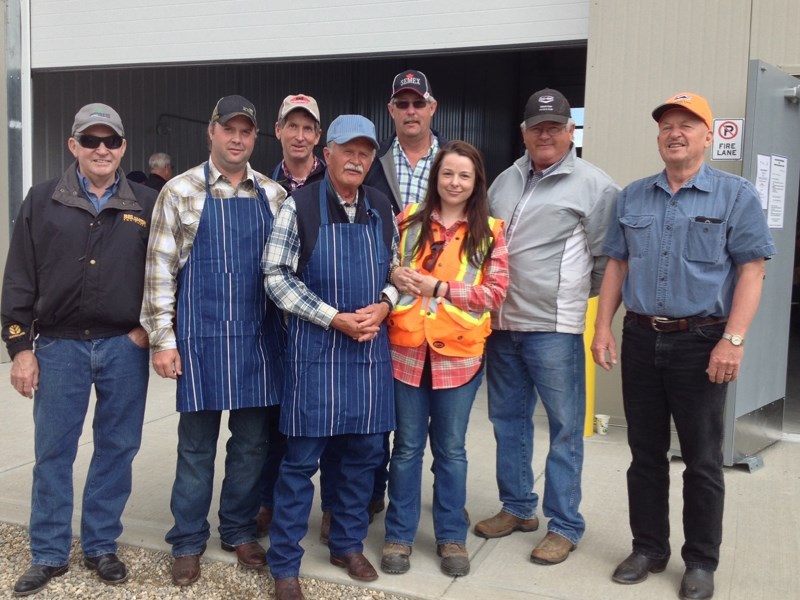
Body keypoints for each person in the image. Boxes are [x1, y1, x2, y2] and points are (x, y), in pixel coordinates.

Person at [591, 92, 775, 600]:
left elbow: (752, 271)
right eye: (668, 125)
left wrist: (732, 341)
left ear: (708, 135)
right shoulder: (632, 197)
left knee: (702, 459)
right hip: (641, 336)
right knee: (644, 453)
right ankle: (649, 548)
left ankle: (700, 561)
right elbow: (617, 266)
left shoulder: (735, 195)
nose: (676, 132)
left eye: (688, 125)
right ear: (658, 136)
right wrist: (603, 327)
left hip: (702, 341)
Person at [1, 102, 157, 596]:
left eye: (110, 140)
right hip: (59, 348)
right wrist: (20, 348)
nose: (101, 150)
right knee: (52, 453)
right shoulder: (42, 200)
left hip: (123, 347)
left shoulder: (146, 204)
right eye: (90, 140)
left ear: (123, 147)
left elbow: (169, 274)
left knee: (117, 449)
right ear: (73, 146)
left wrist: (148, 330)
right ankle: (47, 553)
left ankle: (100, 545)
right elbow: (19, 278)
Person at [140, 95, 287, 586]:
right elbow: (159, 273)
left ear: (254, 137)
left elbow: (284, 273)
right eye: (230, 130)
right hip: (200, 339)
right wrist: (164, 340)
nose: (238, 139)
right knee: (196, 448)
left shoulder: (273, 196)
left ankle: (240, 529)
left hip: (257, 341)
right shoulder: (179, 192)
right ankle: (186, 540)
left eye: (247, 131)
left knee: (250, 446)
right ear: (212, 132)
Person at [474, 88, 619, 565]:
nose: (545, 134)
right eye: (537, 127)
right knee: (507, 422)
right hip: (501, 324)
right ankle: (518, 507)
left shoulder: (595, 186)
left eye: (554, 127)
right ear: (523, 132)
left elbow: (608, 260)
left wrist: (571, 298)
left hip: (553, 329)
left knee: (562, 428)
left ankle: (565, 524)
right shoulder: (504, 181)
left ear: (570, 131)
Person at [263, 115, 397, 600]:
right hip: (317, 353)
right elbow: (276, 277)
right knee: (300, 465)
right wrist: (333, 316)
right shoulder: (298, 206)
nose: (357, 160)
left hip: (367, 354)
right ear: (330, 154)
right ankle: (284, 565)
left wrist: (383, 305)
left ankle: (347, 543)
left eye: (365, 152)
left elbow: (398, 272)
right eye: (349, 150)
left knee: (363, 457)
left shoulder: (382, 207)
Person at [380, 141, 508, 577]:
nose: (455, 182)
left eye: (464, 175)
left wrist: (439, 289)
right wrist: (394, 273)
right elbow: (390, 269)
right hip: (407, 351)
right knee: (407, 450)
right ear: (436, 177)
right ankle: (398, 535)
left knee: (451, 452)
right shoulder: (408, 221)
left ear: (476, 183)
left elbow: (494, 292)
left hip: (459, 357)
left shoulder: (491, 231)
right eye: (448, 173)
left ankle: (451, 536)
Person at [256, 93, 332, 542]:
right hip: (276, 325)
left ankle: (336, 509)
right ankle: (268, 502)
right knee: (274, 424)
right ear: (279, 130)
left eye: (309, 128)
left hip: (325, 325)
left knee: (333, 426)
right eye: (292, 126)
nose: (300, 135)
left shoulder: (338, 182)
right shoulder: (262, 187)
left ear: (319, 138)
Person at [365, 69, 446, 214]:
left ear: (432, 108)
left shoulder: (454, 159)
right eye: (403, 104)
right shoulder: (373, 159)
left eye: (419, 104)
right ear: (391, 110)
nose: (411, 111)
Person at [271, 94, 326, 192]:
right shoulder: (265, 186)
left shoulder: (334, 183)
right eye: (293, 126)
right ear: (278, 130)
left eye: (307, 129)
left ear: (317, 136)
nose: (300, 137)